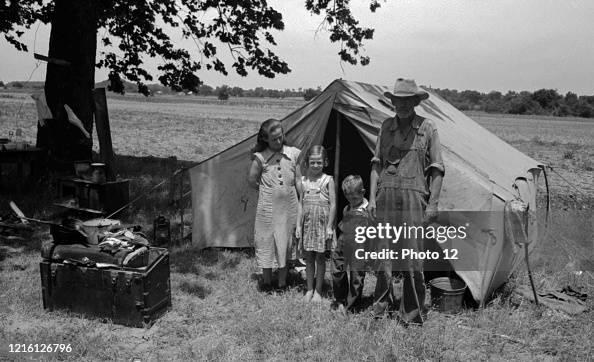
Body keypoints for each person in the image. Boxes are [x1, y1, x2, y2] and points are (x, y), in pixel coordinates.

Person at [368, 78, 444, 324]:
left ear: (415, 102)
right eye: (398, 101)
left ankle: (411, 313)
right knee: (383, 256)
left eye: (407, 101)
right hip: (386, 197)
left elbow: (437, 169)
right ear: (393, 102)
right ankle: (380, 307)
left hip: (414, 199)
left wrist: (432, 204)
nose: (401, 105)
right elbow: (376, 165)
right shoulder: (386, 126)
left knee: (413, 259)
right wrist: (371, 198)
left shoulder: (428, 128)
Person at [248, 119, 302, 293]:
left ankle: (282, 282)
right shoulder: (260, 157)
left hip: (289, 207)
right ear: (265, 140)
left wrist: (302, 198)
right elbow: (252, 179)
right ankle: (266, 281)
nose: (278, 142)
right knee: (266, 241)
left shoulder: (294, 154)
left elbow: (298, 179)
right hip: (267, 209)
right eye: (274, 139)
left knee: (285, 241)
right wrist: (267, 191)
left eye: (281, 137)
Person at [295, 145, 336, 302]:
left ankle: (318, 291)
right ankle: (309, 288)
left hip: (321, 226)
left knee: (320, 258)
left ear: (324, 162)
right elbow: (300, 204)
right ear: (307, 162)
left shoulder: (328, 180)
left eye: (319, 162)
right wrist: (298, 225)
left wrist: (329, 227)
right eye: (313, 162)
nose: (316, 166)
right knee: (308, 258)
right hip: (307, 226)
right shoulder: (303, 182)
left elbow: (333, 205)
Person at [331, 175, 372, 314]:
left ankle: (352, 306)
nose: (352, 201)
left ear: (363, 192)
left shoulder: (368, 210)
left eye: (354, 198)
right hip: (344, 242)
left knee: (356, 276)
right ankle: (340, 299)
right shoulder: (346, 208)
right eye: (348, 198)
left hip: (359, 246)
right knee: (337, 270)